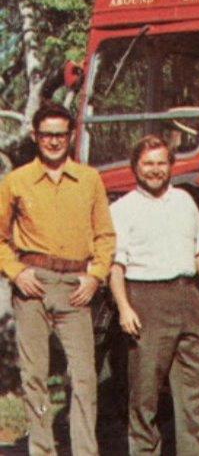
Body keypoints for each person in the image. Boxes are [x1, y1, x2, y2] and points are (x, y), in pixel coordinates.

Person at [0, 101, 116, 455]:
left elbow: (105, 236)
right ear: (35, 136)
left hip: (75, 288)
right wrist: (16, 273)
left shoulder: (89, 179)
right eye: (46, 135)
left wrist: (95, 276)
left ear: (71, 136)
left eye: (60, 135)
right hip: (32, 284)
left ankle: (84, 450)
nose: (53, 142)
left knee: (83, 377)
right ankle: (42, 448)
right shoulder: (16, 181)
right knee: (34, 377)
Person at [108, 135, 199, 455]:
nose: (155, 170)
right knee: (145, 392)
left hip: (187, 297)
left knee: (198, 386)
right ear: (135, 167)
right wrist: (124, 308)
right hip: (145, 299)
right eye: (148, 164)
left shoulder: (185, 200)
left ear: (171, 165)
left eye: (161, 163)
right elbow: (115, 265)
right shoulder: (123, 209)